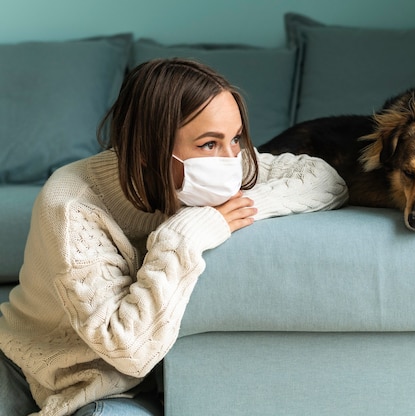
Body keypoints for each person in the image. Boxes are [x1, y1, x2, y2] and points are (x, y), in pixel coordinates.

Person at [0, 58, 348, 416]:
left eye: (236, 138)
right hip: (27, 363)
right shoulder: (71, 204)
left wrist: (215, 213)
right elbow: (128, 350)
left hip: (122, 392)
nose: (232, 161)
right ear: (147, 151)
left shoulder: (227, 163)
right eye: (209, 144)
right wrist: (183, 236)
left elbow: (327, 180)